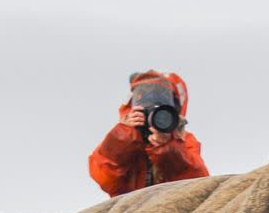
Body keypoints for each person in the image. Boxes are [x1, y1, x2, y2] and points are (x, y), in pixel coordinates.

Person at [88, 70, 210, 198]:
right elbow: (103, 177)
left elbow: (198, 182)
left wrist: (168, 147)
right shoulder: (123, 134)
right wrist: (125, 135)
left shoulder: (185, 140)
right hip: (128, 209)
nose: (153, 110)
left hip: (172, 204)